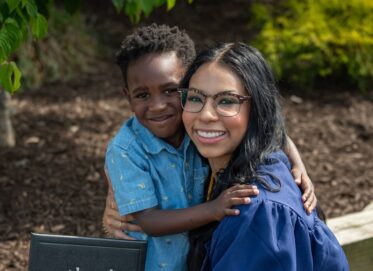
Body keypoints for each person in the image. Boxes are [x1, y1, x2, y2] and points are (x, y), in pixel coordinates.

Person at [104, 24, 317, 271]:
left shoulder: (192, 121)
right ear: (127, 95)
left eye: (170, 91)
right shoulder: (127, 150)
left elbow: (273, 129)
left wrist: (298, 166)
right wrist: (213, 210)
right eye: (142, 95)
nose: (159, 105)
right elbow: (149, 222)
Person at [179, 42, 349, 270]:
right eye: (195, 98)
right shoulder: (221, 168)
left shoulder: (256, 209)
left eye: (227, 101)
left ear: (258, 108)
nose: (206, 115)